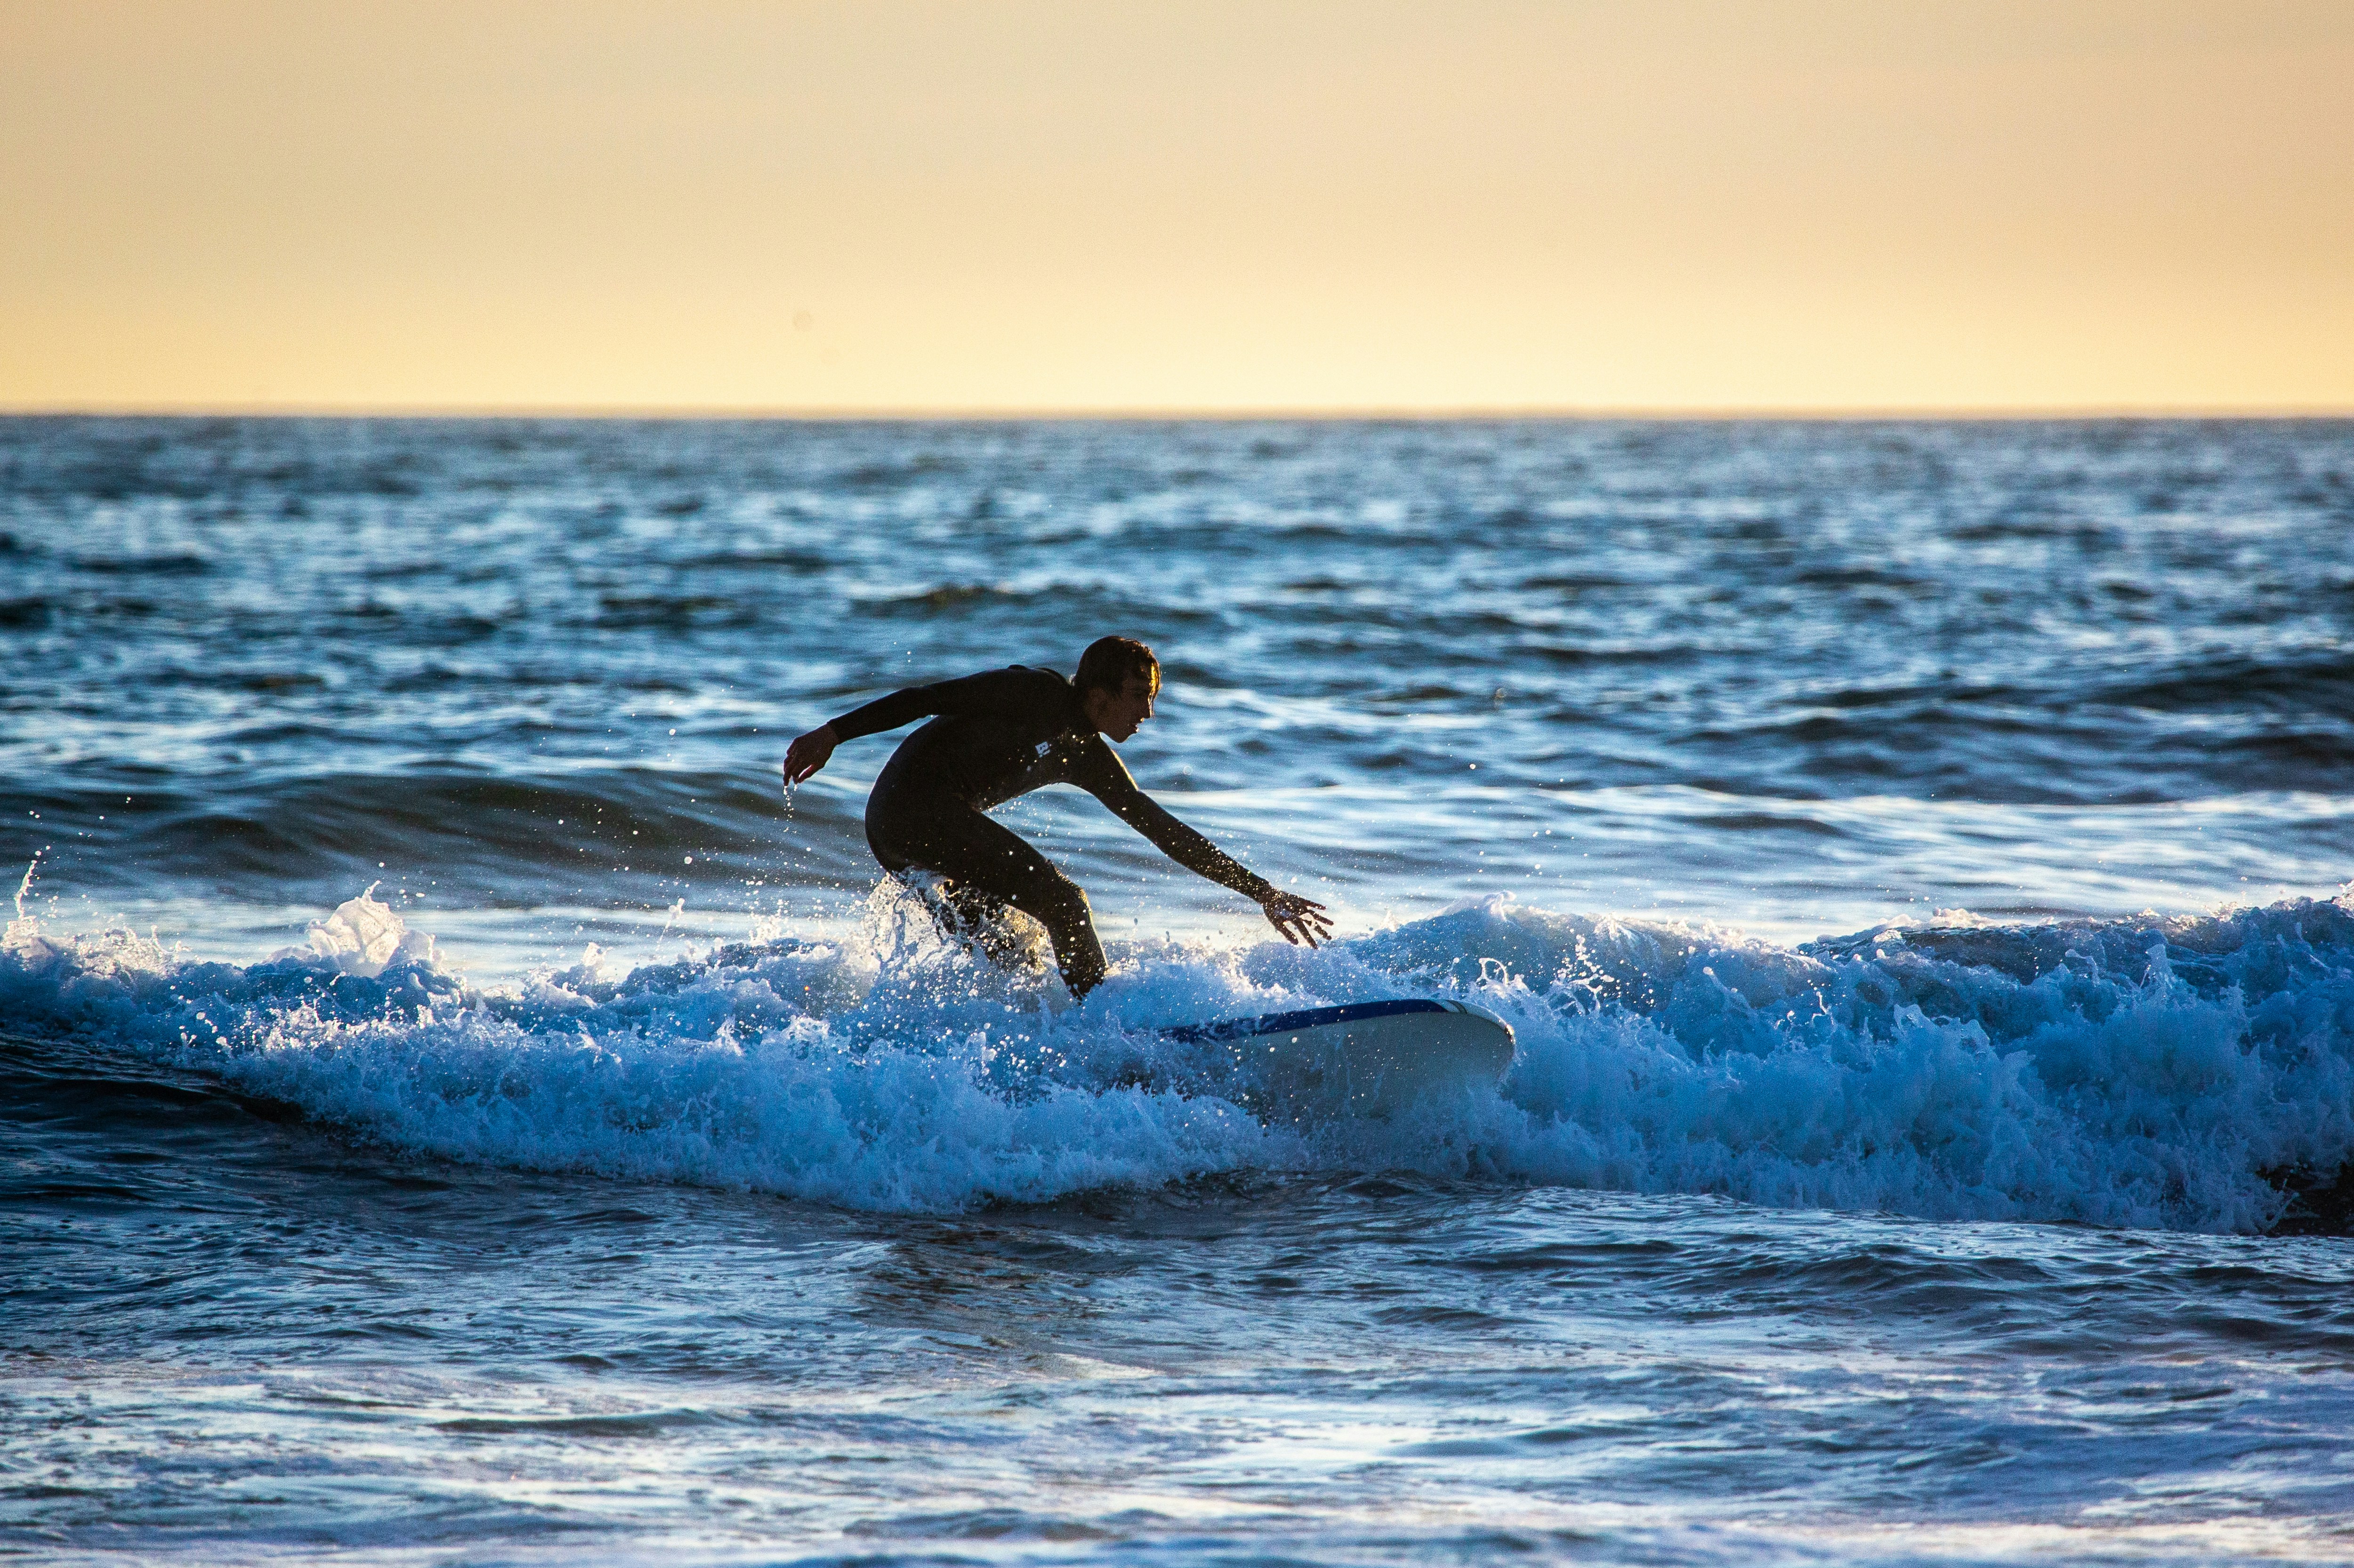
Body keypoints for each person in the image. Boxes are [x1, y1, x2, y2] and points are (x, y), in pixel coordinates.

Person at [781, 636, 1331, 997]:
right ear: (1098, 696)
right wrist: (833, 734)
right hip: (910, 809)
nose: (1148, 713)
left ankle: (1023, 1053)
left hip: (909, 832)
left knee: (1014, 952)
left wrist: (1259, 891)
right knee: (1065, 902)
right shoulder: (1032, 693)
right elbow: (927, 697)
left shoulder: (1088, 756)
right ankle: (1105, 1026)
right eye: (1139, 696)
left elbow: (1161, 828)